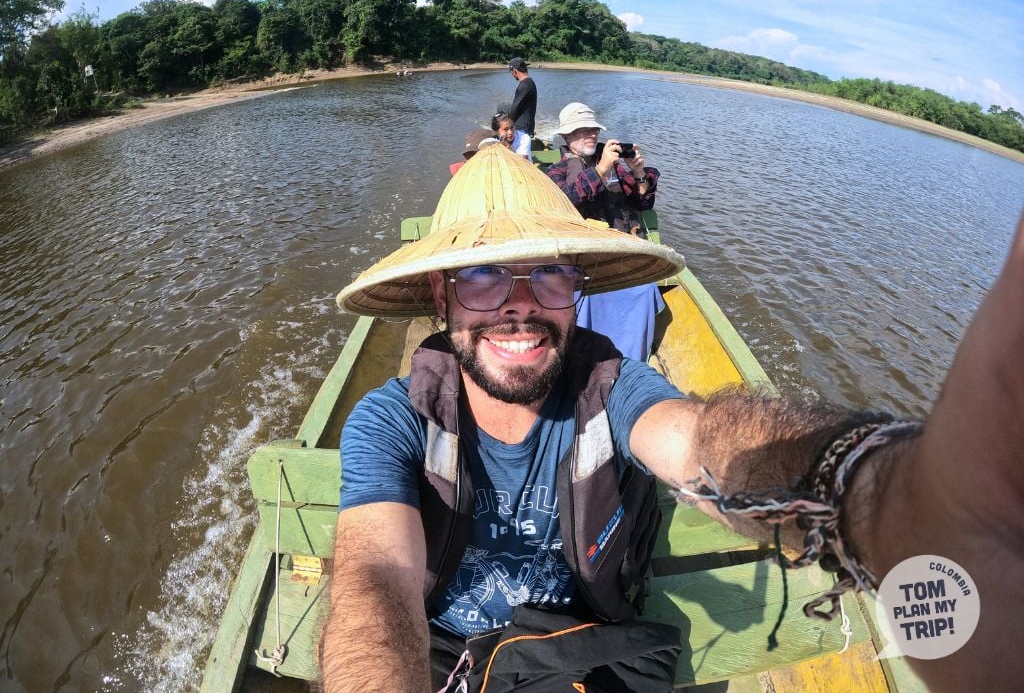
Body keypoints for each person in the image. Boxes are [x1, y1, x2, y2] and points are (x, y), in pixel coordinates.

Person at [322, 143, 1024, 693]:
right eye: (482, 277)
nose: (520, 304)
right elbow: (377, 577)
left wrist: (876, 491)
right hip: (443, 651)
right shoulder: (393, 420)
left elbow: (698, 438)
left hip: (580, 649)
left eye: (551, 274)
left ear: (577, 292)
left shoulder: (610, 383)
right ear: (441, 300)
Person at [546, 102, 664, 360]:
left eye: (594, 130)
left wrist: (640, 173)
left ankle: (631, 360)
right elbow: (565, 201)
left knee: (644, 289)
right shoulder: (556, 171)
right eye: (582, 130)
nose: (591, 134)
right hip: (584, 260)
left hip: (622, 253)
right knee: (581, 293)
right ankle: (587, 357)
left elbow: (643, 202)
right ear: (566, 136)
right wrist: (600, 170)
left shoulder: (618, 167)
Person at [507, 57, 537, 137]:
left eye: (511, 72)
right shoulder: (529, 83)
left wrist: (506, 125)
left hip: (522, 128)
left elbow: (515, 108)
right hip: (526, 126)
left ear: (515, 71)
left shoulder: (525, 85)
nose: (512, 75)